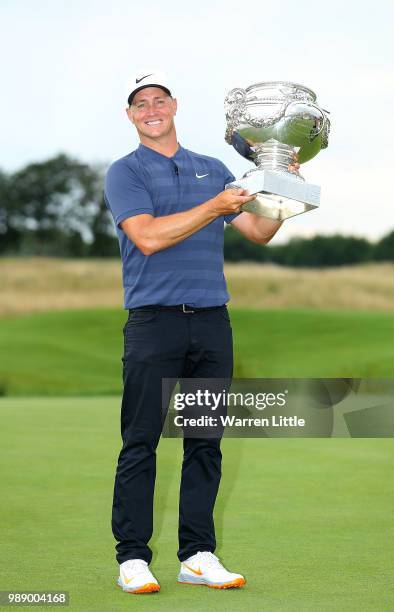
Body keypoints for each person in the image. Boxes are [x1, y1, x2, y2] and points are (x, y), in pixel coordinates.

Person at [104, 70, 292, 594]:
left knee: (205, 443)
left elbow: (258, 230)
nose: (151, 108)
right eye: (140, 103)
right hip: (153, 323)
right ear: (131, 116)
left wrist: (280, 186)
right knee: (140, 442)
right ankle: (133, 558)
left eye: (158, 99)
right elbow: (145, 238)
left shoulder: (213, 167)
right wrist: (214, 206)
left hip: (211, 323)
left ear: (175, 106)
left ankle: (197, 555)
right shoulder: (126, 173)